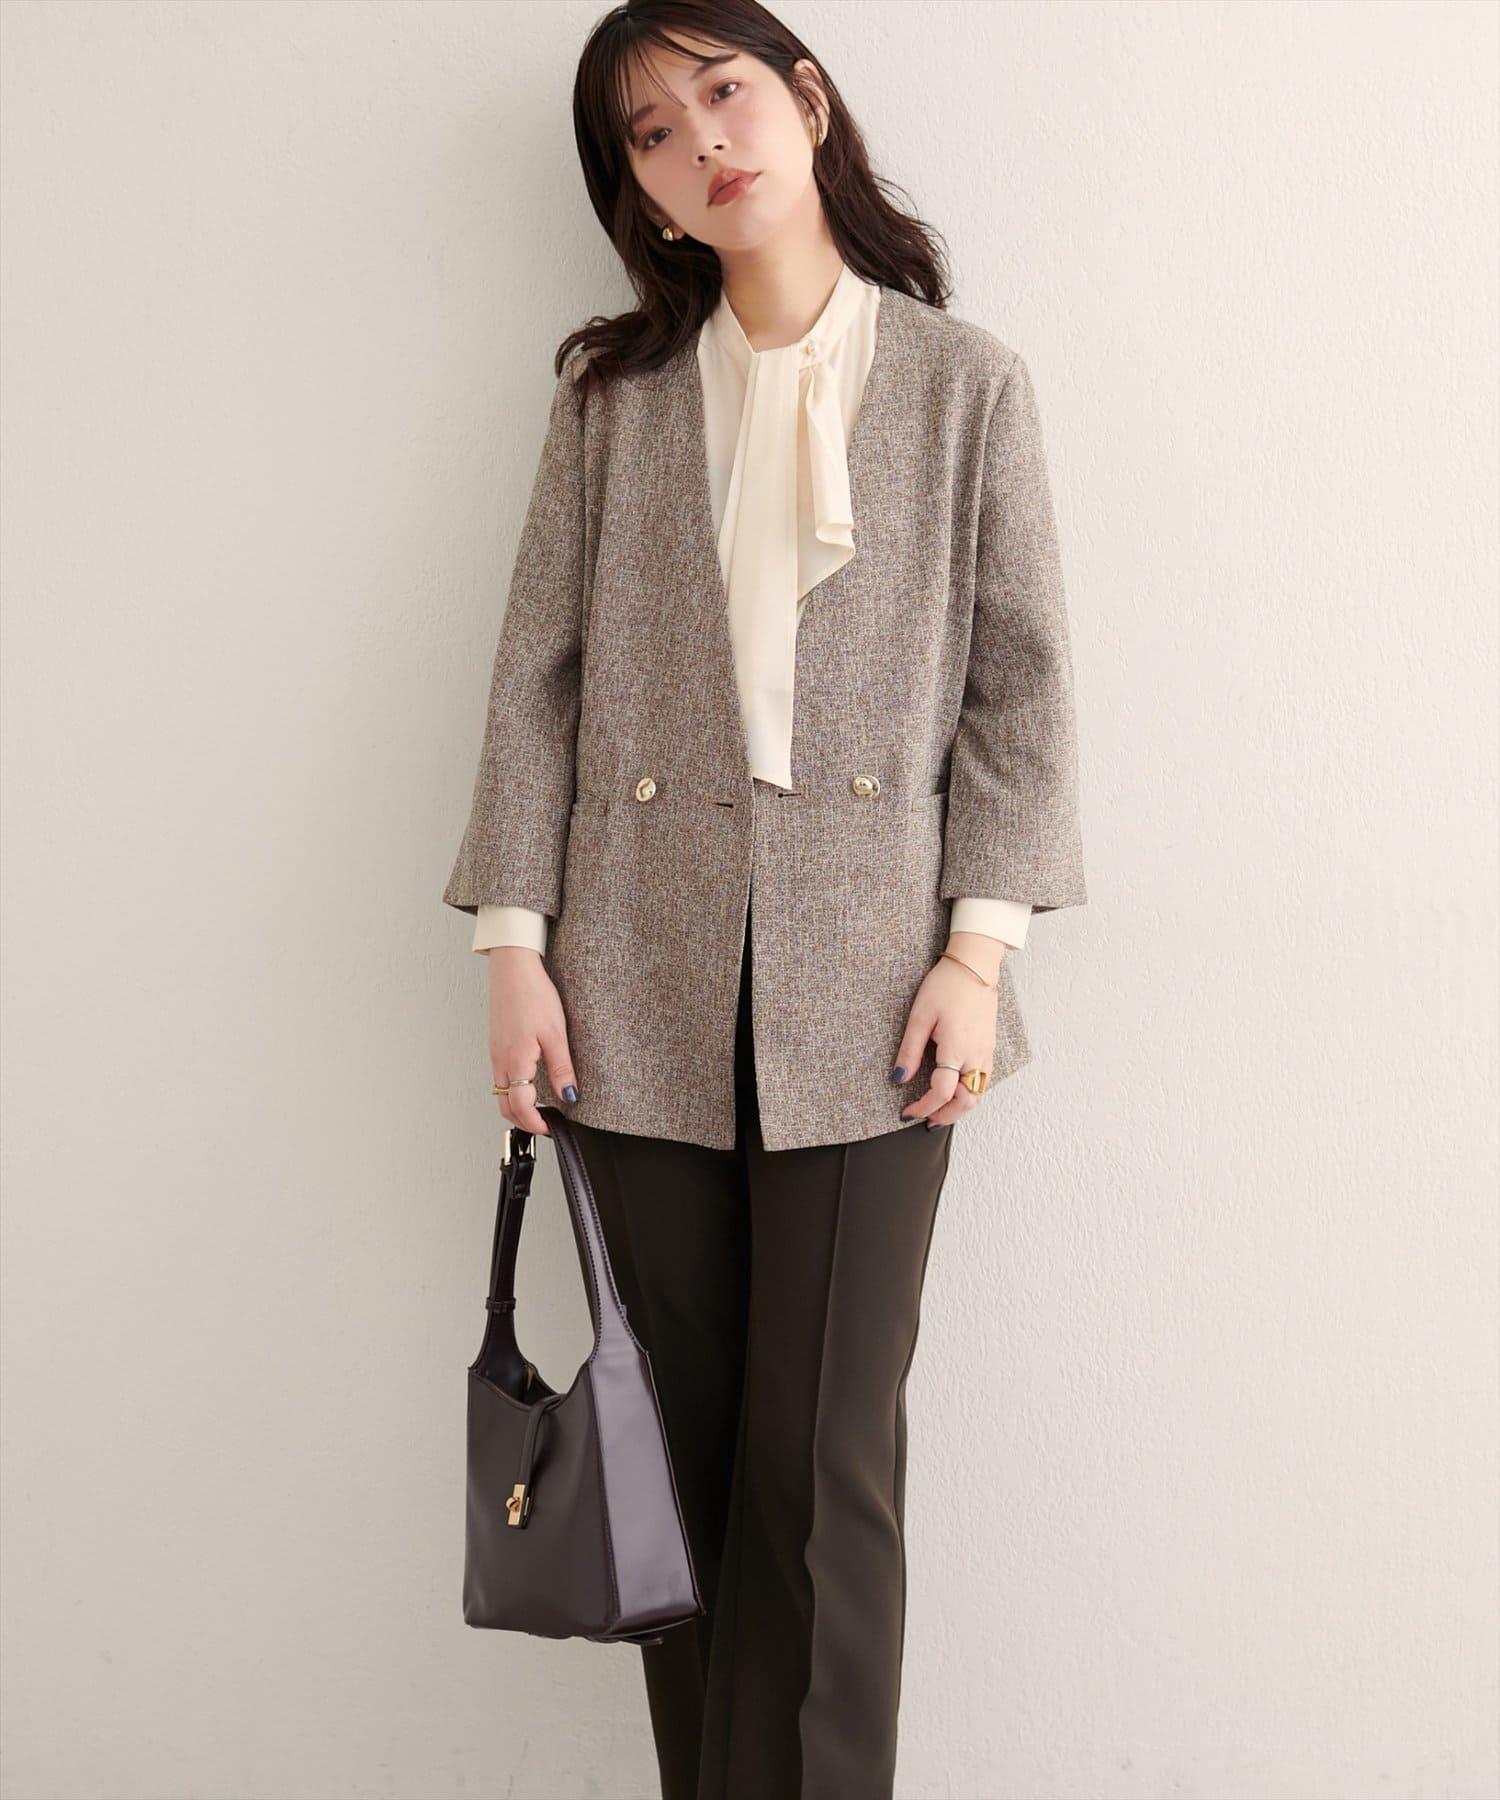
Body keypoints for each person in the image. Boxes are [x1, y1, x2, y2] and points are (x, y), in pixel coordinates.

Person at [442, 2, 1087, 1794]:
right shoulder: (614, 400)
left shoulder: (965, 384)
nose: (703, 142)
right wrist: (513, 949)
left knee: (822, 1468)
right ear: (639, 195)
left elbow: (1022, 692)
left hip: (882, 994)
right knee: (682, 1464)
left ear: (804, 99)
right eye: (652, 134)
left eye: (722, 92)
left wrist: (979, 949)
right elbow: (537, 681)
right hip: (631, 985)